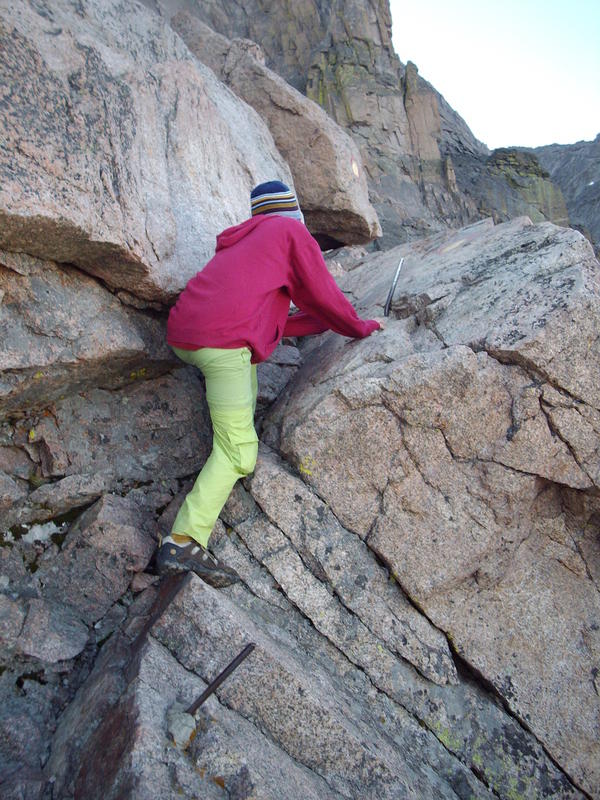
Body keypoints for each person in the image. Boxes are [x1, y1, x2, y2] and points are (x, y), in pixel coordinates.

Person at [156, 180, 383, 586]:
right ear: (292, 211)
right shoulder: (290, 232)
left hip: (186, 334)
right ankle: (182, 541)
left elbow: (256, 308)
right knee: (239, 450)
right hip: (222, 344)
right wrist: (358, 326)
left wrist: (327, 324)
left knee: (243, 391)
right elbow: (322, 293)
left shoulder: (242, 243)